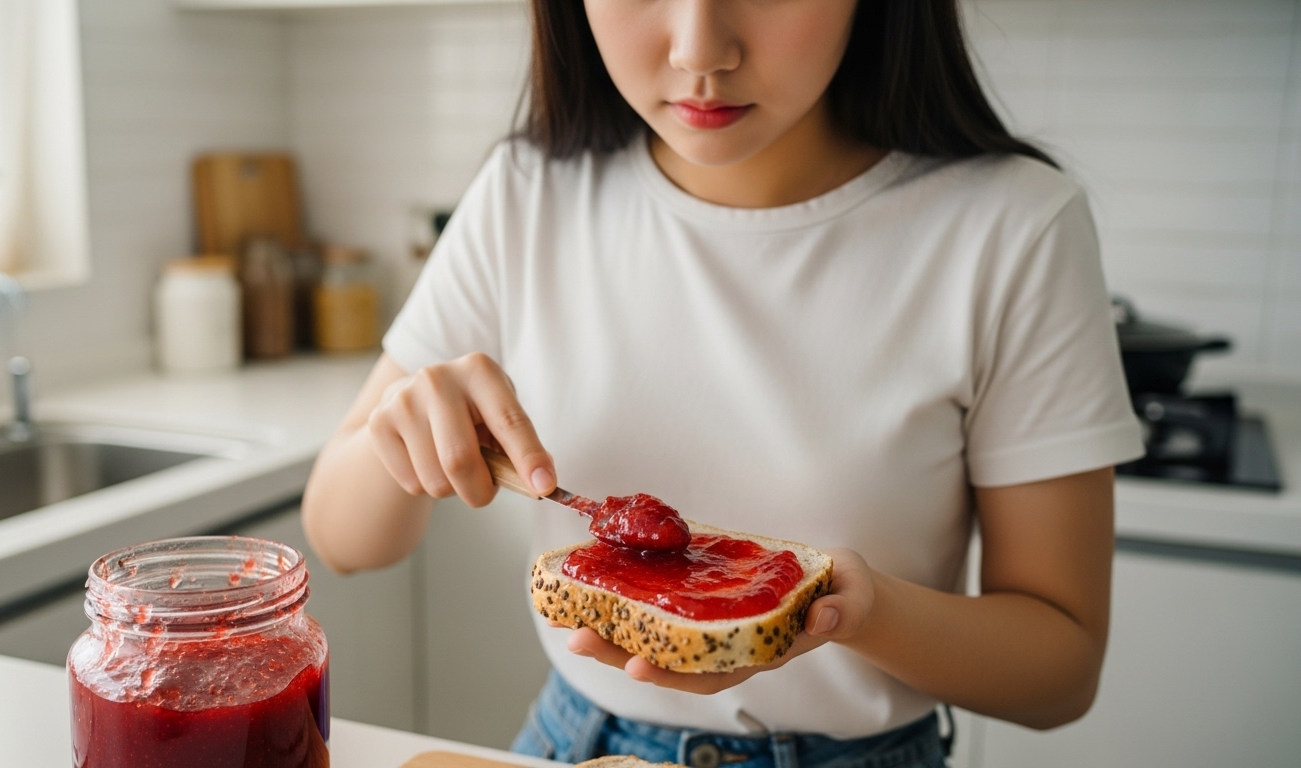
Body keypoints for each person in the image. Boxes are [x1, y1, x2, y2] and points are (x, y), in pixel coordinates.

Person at [301, 1, 1144, 766]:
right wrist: (405, 435)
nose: (700, 50)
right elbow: (341, 537)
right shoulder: (529, 193)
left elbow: (1060, 674)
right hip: (578, 746)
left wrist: (856, 610)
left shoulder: (1015, 226)